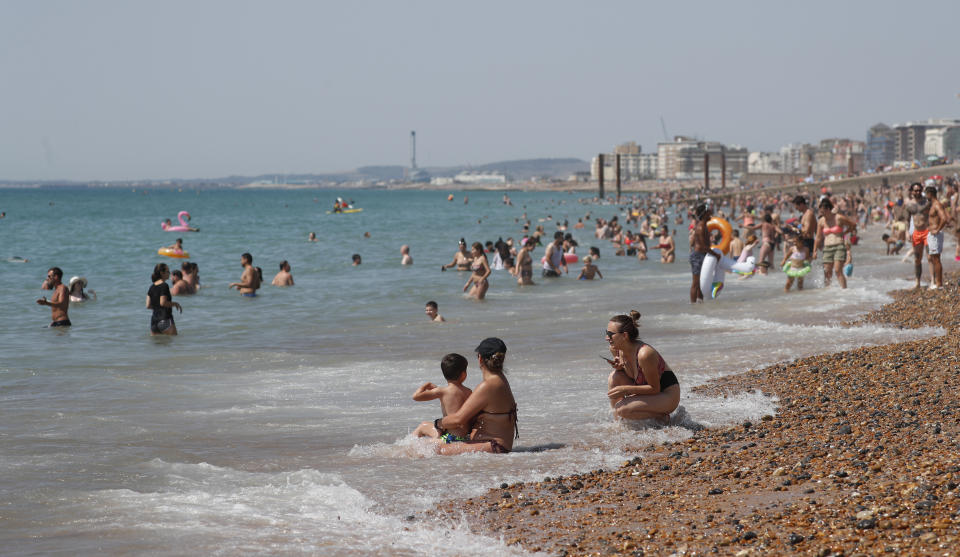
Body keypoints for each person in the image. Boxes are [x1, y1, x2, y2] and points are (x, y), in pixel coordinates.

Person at [433, 338, 518, 455]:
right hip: (496, 444)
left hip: (495, 446)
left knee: (437, 450)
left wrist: (438, 423)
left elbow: (458, 419)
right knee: (432, 442)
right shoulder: (500, 379)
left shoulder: (488, 385)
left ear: (480, 358)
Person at [603, 311, 680, 422]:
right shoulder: (615, 349)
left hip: (666, 395)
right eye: (606, 332)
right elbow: (630, 375)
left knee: (623, 408)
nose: (606, 338)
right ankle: (619, 424)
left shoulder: (645, 354)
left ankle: (661, 418)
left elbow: (655, 388)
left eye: (610, 334)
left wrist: (625, 389)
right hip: (648, 392)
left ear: (624, 335)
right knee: (614, 377)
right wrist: (620, 367)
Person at [411, 353, 472, 442]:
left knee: (422, 426)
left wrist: (426, 385)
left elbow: (415, 396)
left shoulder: (442, 391)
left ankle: (407, 445)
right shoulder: (469, 391)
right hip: (465, 437)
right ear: (463, 374)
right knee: (426, 425)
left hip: (451, 438)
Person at [814, 196, 857, 289]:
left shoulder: (839, 218)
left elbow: (853, 225)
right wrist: (814, 251)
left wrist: (845, 233)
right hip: (827, 248)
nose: (821, 213)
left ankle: (844, 291)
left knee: (838, 270)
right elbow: (818, 237)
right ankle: (828, 292)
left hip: (839, 247)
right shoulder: (821, 221)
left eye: (822, 211)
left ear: (828, 209)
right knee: (827, 272)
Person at [689, 204, 720, 303]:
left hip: (703, 255)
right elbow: (704, 246)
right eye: (709, 211)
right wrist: (716, 255)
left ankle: (700, 304)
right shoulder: (701, 227)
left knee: (702, 283)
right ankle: (693, 306)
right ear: (705, 213)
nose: (711, 212)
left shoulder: (704, 225)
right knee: (696, 283)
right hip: (698, 256)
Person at [904, 183, 930, 289]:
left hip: (927, 231)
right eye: (915, 190)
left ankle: (934, 280)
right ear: (912, 192)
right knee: (917, 259)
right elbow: (907, 220)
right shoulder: (909, 205)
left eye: (919, 190)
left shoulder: (927, 202)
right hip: (917, 233)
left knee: (930, 257)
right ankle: (917, 282)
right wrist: (906, 232)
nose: (918, 192)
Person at [146, 263, 182, 335]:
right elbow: (163, 303)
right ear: (162, 273)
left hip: (154, 322)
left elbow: (148, 305)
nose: (169, 273)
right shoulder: (164, 285)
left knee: (159, 345)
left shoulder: (151, 287)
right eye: (168, 271)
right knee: (173, 343)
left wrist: (157, 307)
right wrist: (175, 304)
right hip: (165, 320)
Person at [924, 185, 948, 289]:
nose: (926, 196)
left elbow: (944, 218)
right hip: (933, 234)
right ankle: (938, 283)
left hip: (936, 234)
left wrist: (937, 229)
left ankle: (939, 284)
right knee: (934, 258)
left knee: (936, 259)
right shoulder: (932, 204)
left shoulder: (937, 205)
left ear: (930, 194)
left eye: (926, 194)